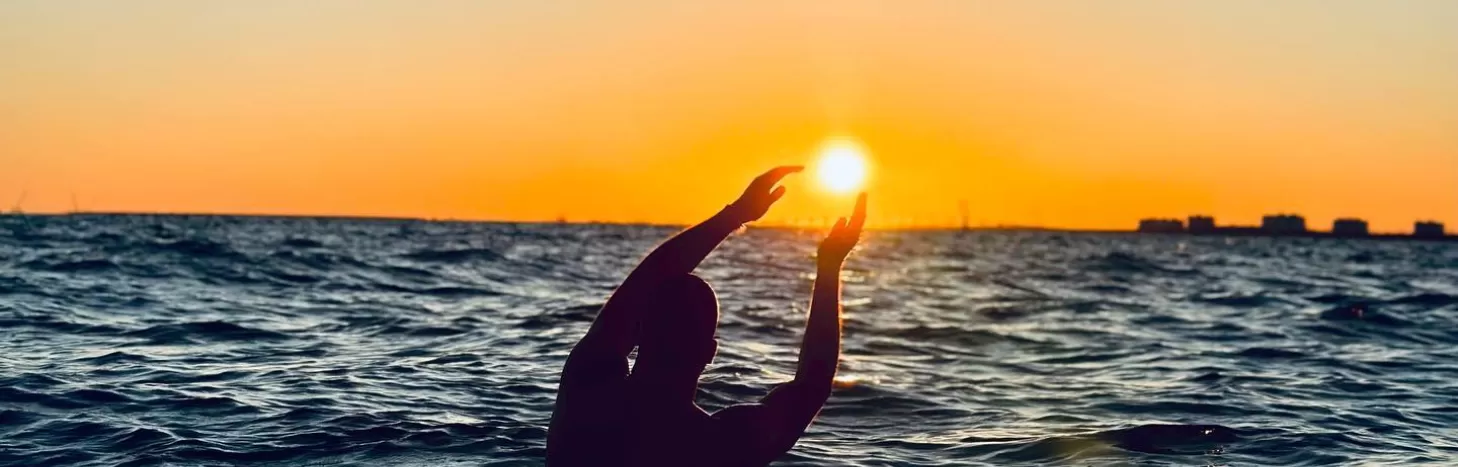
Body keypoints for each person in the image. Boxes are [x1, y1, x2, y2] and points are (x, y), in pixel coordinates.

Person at [546, 166, 867, 467]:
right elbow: (812, 385)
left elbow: (645, 283)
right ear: (710, 352)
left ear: (640, 330)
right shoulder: (720, 442)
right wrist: (829, 267)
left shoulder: (586, 391)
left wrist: (735, 215)